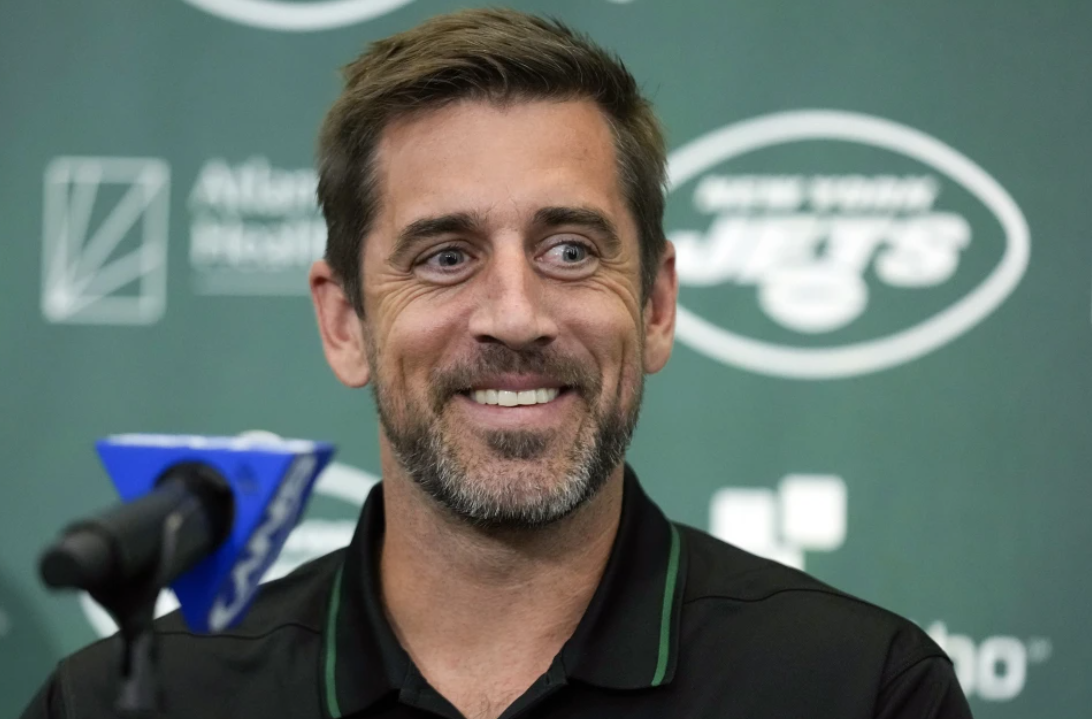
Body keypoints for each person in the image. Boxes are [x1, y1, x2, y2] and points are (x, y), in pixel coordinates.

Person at [22, 8, 973, 719]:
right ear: (345, 321)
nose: (515, 315)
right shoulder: (135, 700)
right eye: (446, 256)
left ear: (655, 304)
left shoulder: (858, 689)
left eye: (570, 250)